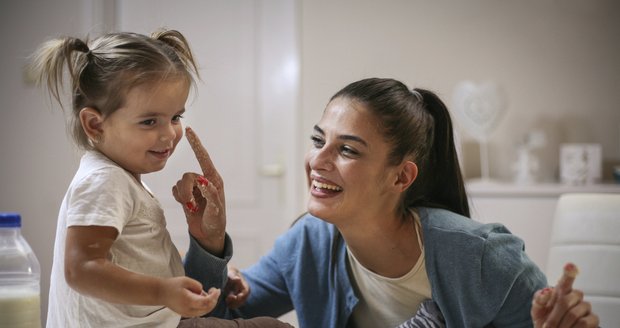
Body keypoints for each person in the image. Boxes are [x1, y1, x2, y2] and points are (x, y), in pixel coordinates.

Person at [175, 78, 599, 327]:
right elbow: (208, 322)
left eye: (348, 150)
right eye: (319, 140)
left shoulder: (482, 258)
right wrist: (209, 245)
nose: (317, 161)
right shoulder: (308, 242)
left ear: (401, 176)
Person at [31, 29, 292, 328]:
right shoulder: (105, 181)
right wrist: (163, 291)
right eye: (149, 121)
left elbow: (135, 258)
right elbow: (81, 269)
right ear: (95, 124)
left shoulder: (120, 178)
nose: (169, 133)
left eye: (176, 117)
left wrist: (210, 257)